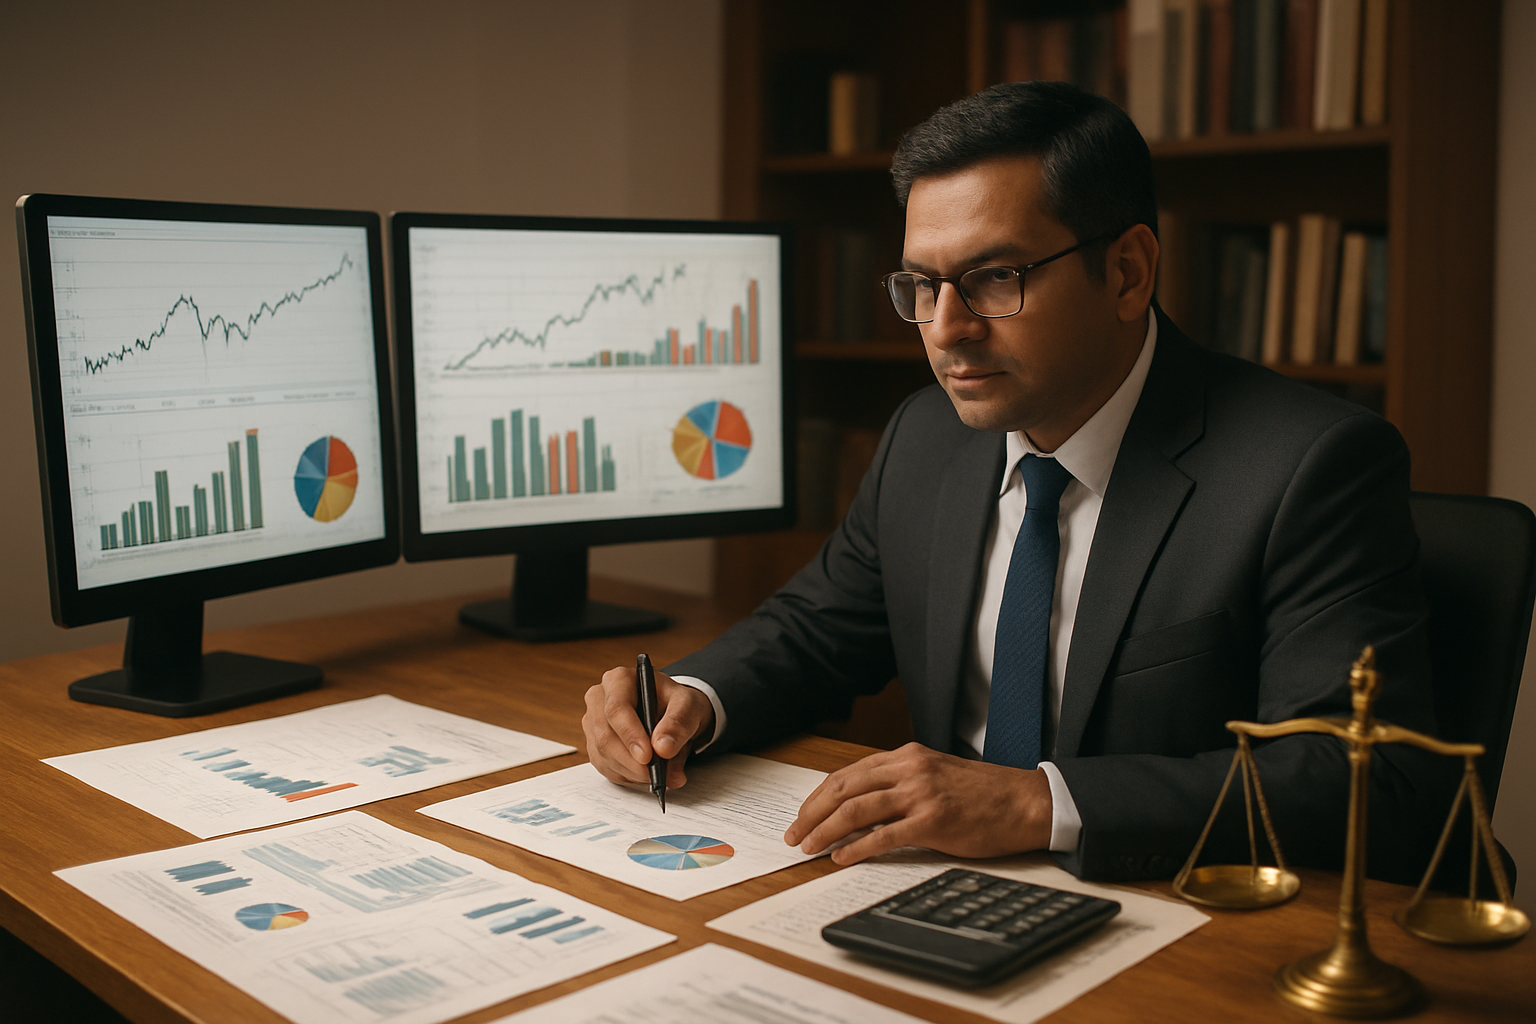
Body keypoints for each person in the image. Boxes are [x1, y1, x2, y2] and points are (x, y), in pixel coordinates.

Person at [582, 81, 1449, 882]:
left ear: (1127, 271)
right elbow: (819, 627)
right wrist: (690, 698)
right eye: (922, 286)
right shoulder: (926, 434)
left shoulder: (1312, 465)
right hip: (936, 889)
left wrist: (1036, 802)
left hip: (1171, 910)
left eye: (995, 278)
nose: (946, 330)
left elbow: (1367, 777)